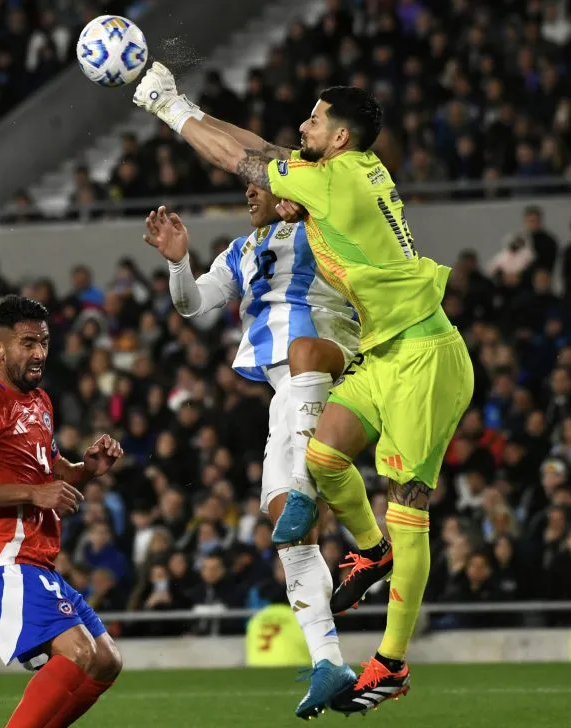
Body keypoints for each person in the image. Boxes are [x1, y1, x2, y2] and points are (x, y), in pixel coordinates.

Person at [134, 65, 474, 712]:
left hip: (417, 355)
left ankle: (392, 662)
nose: (300, 128)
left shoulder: (330, 193)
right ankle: (359, 575)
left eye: (313, 120)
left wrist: (170, 108)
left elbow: (245, 159)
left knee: (408, 506)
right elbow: (256, 155)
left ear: (339, 138)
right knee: (314, 475)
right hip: (371, 358)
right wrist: (188, 108)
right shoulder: (332, 181)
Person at [143, 184, 359, 718]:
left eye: (261, 182)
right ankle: (329, 661)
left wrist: (313, 208)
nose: (249, 191)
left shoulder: (317, 227)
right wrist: (178, 263)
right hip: (284, 393)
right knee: (289, 533)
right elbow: (191, 303)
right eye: (247, 183)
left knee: (301, 502)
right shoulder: (240, 251)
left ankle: (322, 499)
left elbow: (350, 224)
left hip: (327, 363)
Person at [0, 295, 125, 728]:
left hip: (34, 560)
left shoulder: (39, 401)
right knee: (79, 652)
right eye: (27, 343)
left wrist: (87, 470)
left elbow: (51, 474)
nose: (39, 352)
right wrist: (33, 495)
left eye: (43, 341)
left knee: (105, 661)